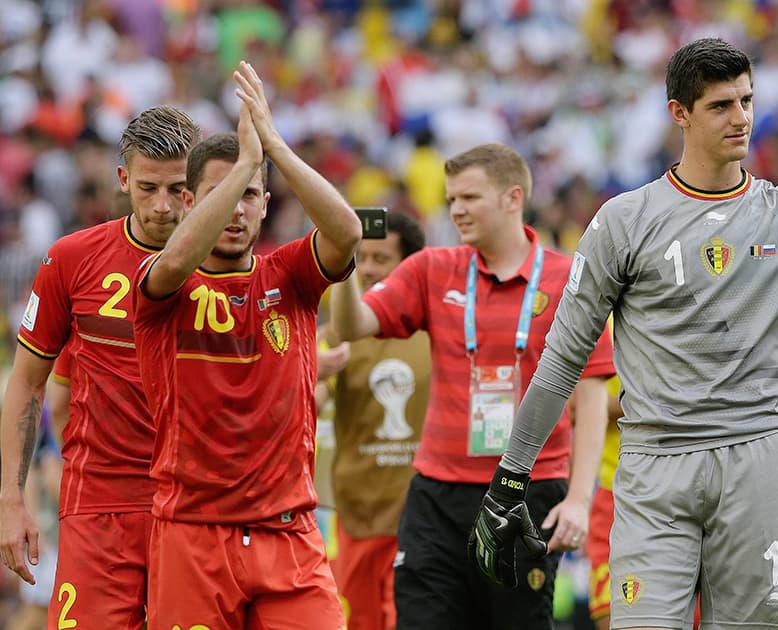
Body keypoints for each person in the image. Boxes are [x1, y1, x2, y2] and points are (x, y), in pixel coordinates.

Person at [470, 37, 778, 630]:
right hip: (656, 465)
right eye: (720, 105)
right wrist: (509, 479)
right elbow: (561, 361)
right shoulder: (624, 222)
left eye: (747, 100)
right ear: (679, 112)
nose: (741, 118)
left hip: (759, 458)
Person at [329, 142, 616, 629]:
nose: (456, 209)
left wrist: (578, 500)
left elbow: (590, 398)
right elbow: (353, 325)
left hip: (528, 490)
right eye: (451, 199)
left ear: (512, 197)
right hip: (436, 493)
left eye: (469, 197)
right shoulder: (431, 268)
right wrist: (339, 260)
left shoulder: (568, 278)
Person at [131, 61, 359, 630]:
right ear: (189, 203)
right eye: (219, 194)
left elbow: (347, 232)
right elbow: (180, 256)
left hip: (289, 532)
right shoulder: (162, 283)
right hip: (192, 532)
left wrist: (272, 148)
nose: (236, 209)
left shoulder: (291, 274)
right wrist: (245, 166)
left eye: (250, 195)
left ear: (265, 205)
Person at [0, 105, 200, 628]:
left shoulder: (230, 263)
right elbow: (27, 382)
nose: (162, 206)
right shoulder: (71, 259)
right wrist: (10, 499)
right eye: (147, 187)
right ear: (122, 179)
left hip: (198, 508)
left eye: (177, 187)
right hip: (100, 505)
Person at [324, 211, 430, 630]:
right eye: (361, 257)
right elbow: (306, 400)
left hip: (423, 519)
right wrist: (314, 373)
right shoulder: (335, 336)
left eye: (380, 258)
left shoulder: (437, 330)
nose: (367, 267)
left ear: (409, 266)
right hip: (358, 517)